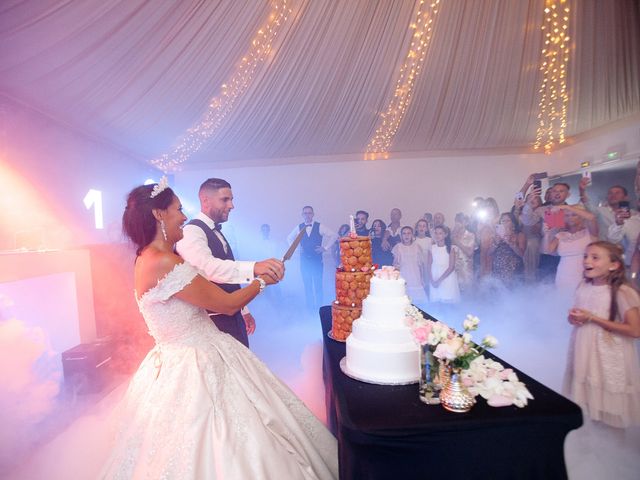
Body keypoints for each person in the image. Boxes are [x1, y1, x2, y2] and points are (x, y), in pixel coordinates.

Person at [102, 181, 338, 478]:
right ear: (159, 214)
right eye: (178, 209)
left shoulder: (146, 257)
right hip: (194, 362)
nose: (184, 216)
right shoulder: (165, 262)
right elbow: (225, 304)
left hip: (177, 356)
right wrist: (262, 281)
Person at [176, 178, 284, 348]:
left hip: (233, 315)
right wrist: (255, 267)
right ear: (205, 200)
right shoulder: (191, 231)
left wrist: (244, 311)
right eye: (225, 200)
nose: (231, 205)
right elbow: (207, 268)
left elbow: (228, 277)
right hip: (214, 322)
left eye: (231, 199)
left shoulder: (215, 230)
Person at [563, 241, 640, 429]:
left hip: (608, 353)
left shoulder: (622, 291)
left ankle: (613, 444)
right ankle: (592, 440)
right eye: (585, 256)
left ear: (614, 265)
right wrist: (575, 319)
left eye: (595, 258)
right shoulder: (584, 285)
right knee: (588, 402)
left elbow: (635, 330)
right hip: (584, 347)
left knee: (609, 407)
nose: (587, 261)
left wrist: (592, 318)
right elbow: (583, 314)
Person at [287, 206, 337, 311]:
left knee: (318, 285)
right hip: (304, 262)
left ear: (313, 214)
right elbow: (289, 238)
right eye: (305, 213)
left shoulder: (319, 226)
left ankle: (319, 309)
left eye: (309, 213)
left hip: (317, 261)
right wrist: (296, 250)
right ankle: (310, 309)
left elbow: (334, 235)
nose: (307, 215)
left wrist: (325, 248)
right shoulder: (299, 226)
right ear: (302, 215)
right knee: (307, 286)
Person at [546, 205, 597, 296]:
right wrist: (547, 232)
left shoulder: (590, 232)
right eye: (567, 215)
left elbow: (591, 217)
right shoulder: (560, 234)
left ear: (581, 216)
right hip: (564, 273)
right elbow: (548, 250)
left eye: (574, 215)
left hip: (584, 272)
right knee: (564, 301)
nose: (570, 218)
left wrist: (566, 207)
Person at [392, 226, 427, 305]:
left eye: (408, 233)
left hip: (416, 277)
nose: (406, 235)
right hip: (404, 276)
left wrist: (422, 278)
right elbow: (395, 265)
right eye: (404, 233)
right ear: (401, 235)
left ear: (412, 235)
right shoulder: (398, 247)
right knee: (404, 302)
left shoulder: (417, 247)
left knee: (418, 303)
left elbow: (421, 265)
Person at [489, 212, 525, 287]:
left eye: (507, 220)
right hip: (498, 270)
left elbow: (521, 254)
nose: (505, 223)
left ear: (513, 223)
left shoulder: (519, 235)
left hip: (514, 271)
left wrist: (510, 243)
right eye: (503, 221)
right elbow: (489, 252)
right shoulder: (496, 236)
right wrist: (496, 242)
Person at [427, 225, 460, 303]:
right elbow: (428, 265)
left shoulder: (451, 248)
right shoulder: (432, 248)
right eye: (436, 233)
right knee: (436, 303)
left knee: (447, 302)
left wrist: (439, 281)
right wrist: (432, 280)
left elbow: (451, 267)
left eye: (440, 233)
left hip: (446, 278)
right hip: (434, 276)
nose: (437, 235)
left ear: (445, 235)